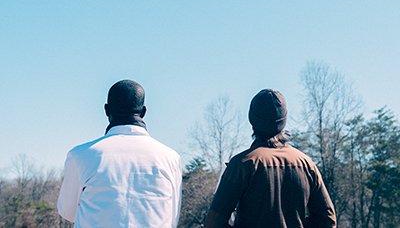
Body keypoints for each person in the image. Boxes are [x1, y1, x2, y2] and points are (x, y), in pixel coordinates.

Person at [57, 80, 182, 227]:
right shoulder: (171, 158)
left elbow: (68, 212)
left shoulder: (80, 155)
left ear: (106, 110)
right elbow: (173, 217)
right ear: (143, 112)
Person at [204, 89, 336, 228]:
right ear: (283, 120)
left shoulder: (243, 164)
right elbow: (327, 220)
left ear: (252, 120)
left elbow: (213, 223)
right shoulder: (306, 164)